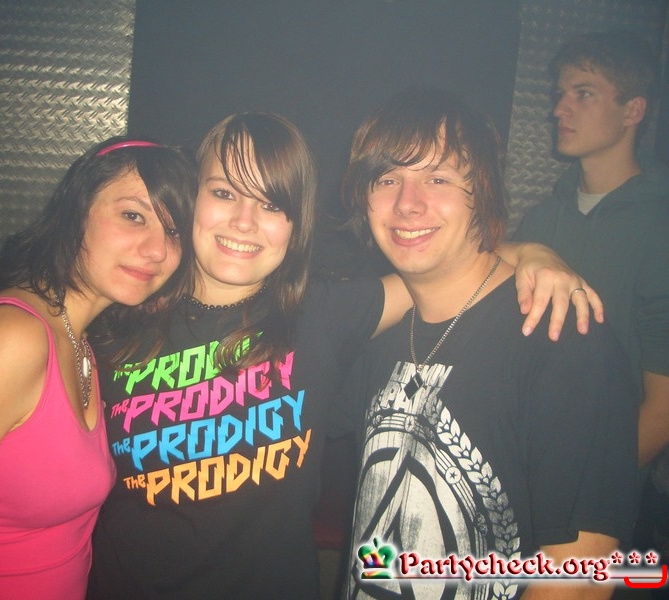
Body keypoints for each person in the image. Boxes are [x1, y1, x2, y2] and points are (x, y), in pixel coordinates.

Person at [87, 112, 603, 600]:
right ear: (190, 199)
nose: (244, 221)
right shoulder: (115, 322)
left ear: (297, 224)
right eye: (224, 193)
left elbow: (448, 265)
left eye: (272, 204)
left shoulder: (325, 315)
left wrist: (532, 253)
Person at [341, 88, 638, 600]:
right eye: (386, 179)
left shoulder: (562, 335)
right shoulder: (377, 334)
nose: (407, 203)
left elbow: (577, 581)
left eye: (438, 178)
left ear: (483, 191)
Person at [0, 138, 197, 600]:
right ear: (76, 211)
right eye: (133, 216)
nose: (158, 250)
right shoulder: (13, 340)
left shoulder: (82, 343)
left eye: (174, 231)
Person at [513, 30, 669, 469]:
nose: (558, 109)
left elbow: (662, 410)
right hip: (523, 462)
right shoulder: (540, 222)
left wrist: (590, 491)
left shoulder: (660, 225)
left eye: (583, 93)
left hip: (599, 483)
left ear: (633, 110)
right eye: (561, 94)